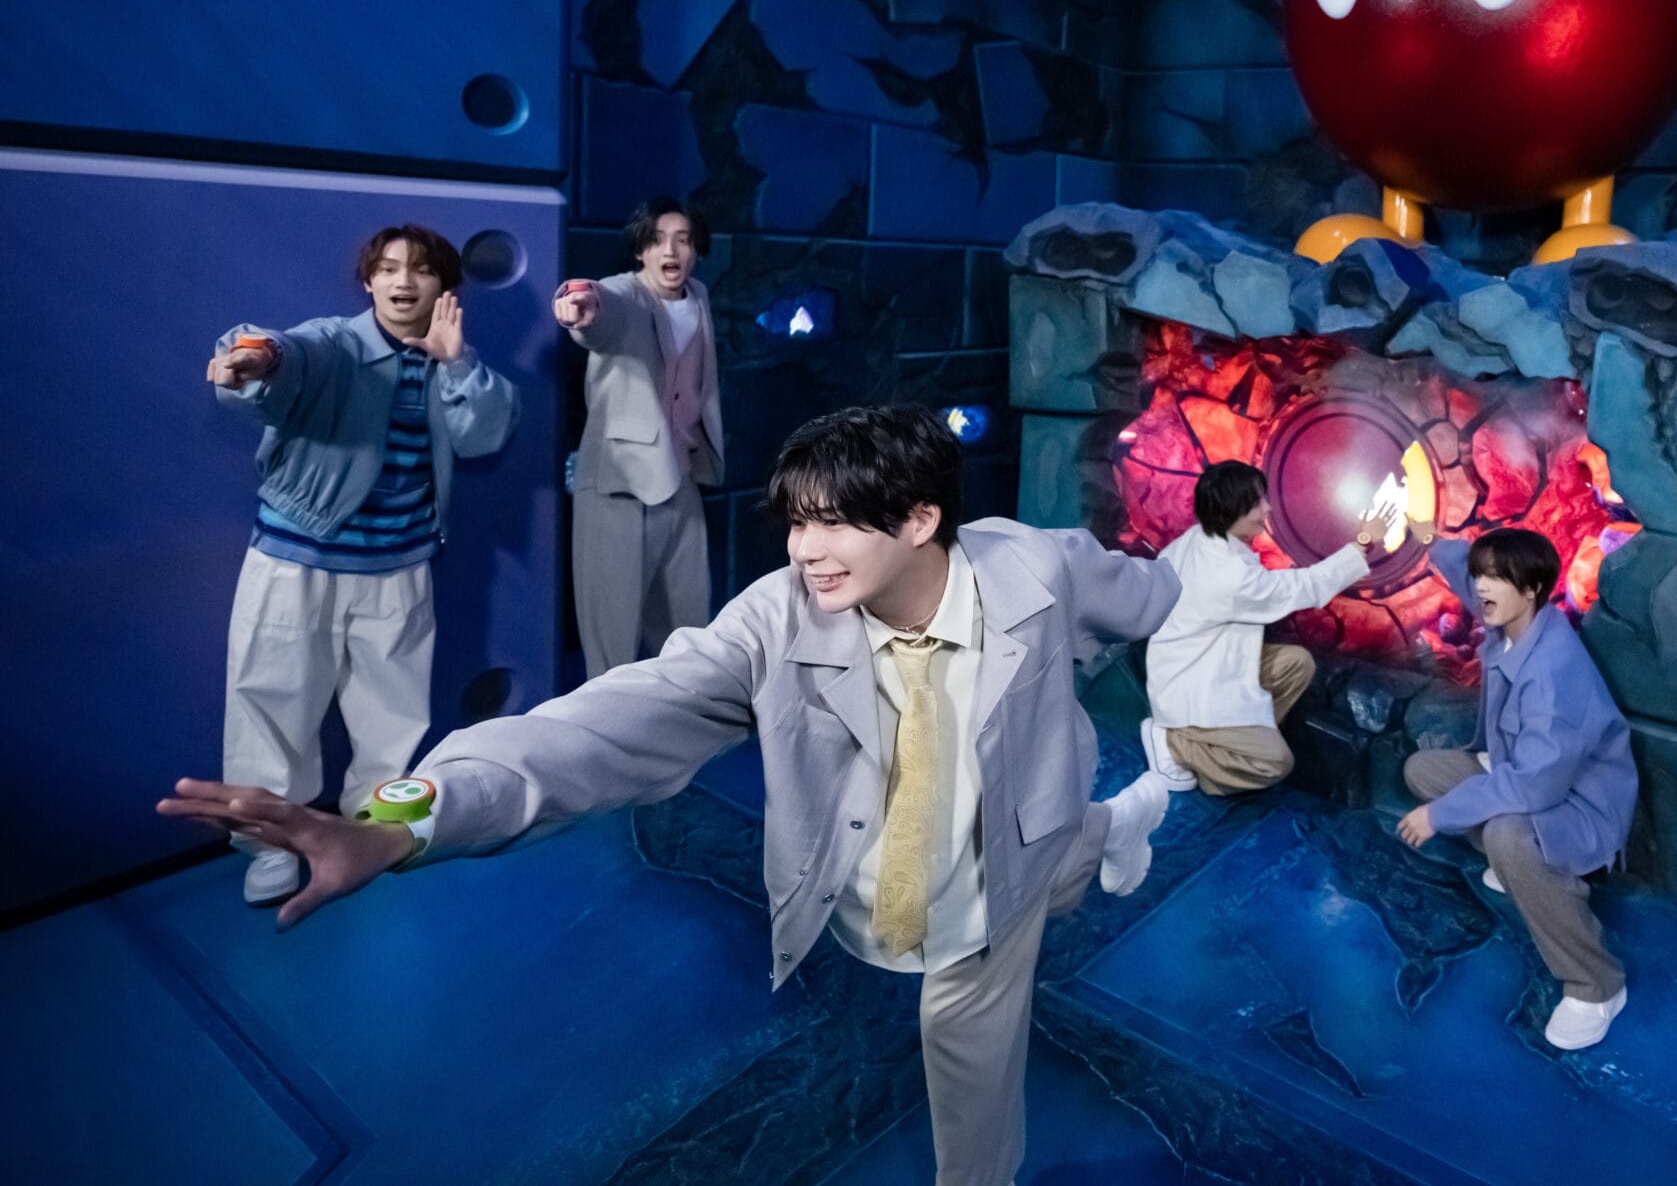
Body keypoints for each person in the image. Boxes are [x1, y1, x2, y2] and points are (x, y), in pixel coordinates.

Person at [159, 404, 1180, 1186]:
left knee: (972, 1014)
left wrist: (1201, 583)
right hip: (899, 877)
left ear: (920, 519)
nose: (804, 549)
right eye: (797, 522)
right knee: (1061, 862)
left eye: (833, 524)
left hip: (1009, 847)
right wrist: (396, 823)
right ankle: (1112, 829)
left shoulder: (1035, 564)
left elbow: (1147, 593)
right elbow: (602, 722)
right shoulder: (774, 621)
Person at [204, 224, 520, 907]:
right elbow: (287, 354)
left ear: (445, 288)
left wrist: (457, 362)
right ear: (369, 281)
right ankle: (270, 841)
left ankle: (375, 830)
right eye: (389, 268)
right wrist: (253, 356)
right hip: (296, 561)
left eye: (422, 270)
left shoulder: (448, 359)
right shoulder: (337, 342)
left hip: (399, 564)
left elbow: (486, 432)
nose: (404, 281)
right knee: (271, 702)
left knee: (392, 713)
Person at [1398, 528, 1639, 1051]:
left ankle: (1597, 985)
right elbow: (1466, 573)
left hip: (1578, 805)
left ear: (1531, 589)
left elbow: (1535, 786)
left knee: (1506, 834)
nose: (1481, 587)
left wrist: (1439, 816)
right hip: (1528, 772)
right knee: (1424, 771)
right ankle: (1523, 869)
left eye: (1495, 578)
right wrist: (1426, 534)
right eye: (1480, 576)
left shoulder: (1553, 671)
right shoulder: (1515, 616)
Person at [1140, 461, 1386, 795]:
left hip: (1196, 664)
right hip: (1190, 689)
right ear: (1231, 511)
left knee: (1296, 664)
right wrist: (1363, 544)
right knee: (1275, 764)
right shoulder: (1228, 577)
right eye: (1257, 503)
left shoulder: (1199, 537)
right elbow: (1303, 587)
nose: (1267, 509)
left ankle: (1233, 745)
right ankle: (1174, 743)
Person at [554, 197, 725, 674]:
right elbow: (602, 311)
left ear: (696, 249)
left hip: (680, 476)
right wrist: (581, 306)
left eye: (683, 240)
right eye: (657, 240)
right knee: (611, 636)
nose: (670, 251)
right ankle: (608, 721)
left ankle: (680, 714)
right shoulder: (625, 293)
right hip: (620, 485)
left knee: (686, 627)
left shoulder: (698, 295)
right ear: (639, 250)